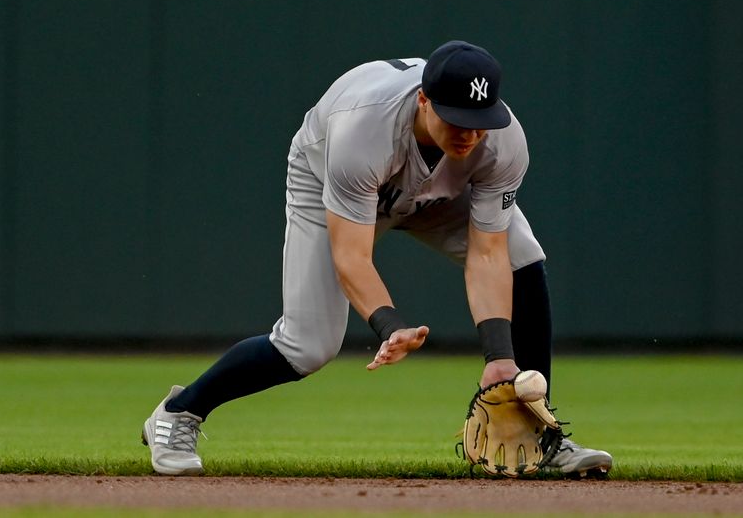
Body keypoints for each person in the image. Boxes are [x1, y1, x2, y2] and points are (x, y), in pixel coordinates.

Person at [141, 40, 612, 477]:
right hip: (326, 178)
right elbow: (351, 254)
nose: (470, 132)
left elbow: (489, 254)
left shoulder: (503, 141)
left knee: (521, 256)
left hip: (440, 197)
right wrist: (388, 324)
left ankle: (538, 434)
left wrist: (499, 358)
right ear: (424, 100)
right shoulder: (363, 130)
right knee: (308, 345)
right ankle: (180, 412)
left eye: (479, 119)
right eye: (455, 118)